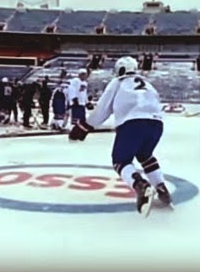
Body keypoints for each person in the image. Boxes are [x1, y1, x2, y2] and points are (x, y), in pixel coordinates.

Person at [69, 56, 171, 216]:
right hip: (157, 124)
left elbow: (103, 108)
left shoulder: (118, 82)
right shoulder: (149, 84)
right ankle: (161, 188)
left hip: (132, 123)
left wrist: (85, 126)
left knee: (120, 161)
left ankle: (140, 185)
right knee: (145, 155)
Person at [67, 68, 89, 139]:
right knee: (76, 120)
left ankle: (79, 133)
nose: (84, 76)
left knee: (82, 120)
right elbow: (71, 89)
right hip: (76, 103)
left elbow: (84, 93)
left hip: (82, 104)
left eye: (85, 75)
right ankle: (73, 133)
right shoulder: (75, 81)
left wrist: (87, 102)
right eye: (82, 74)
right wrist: (74, 99)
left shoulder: (85, 83)